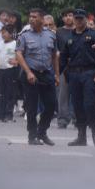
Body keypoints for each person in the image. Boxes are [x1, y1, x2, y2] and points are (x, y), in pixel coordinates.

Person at [16, 8, 59, 146]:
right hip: (31, 73)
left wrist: (57, 74)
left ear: (42, 19)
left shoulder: (51, 35)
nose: (31, 19)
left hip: (46, 73)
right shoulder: (24, 35)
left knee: (51, 105)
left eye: (34, 17)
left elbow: (54, 55)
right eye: (30, 16)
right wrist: (28, 72)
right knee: (32, 107)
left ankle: (42, 131)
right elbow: (18, 54)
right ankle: (32, 135)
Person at [61, 9, 95, 146]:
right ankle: (81, 136)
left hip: (89, 73)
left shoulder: (94, 35)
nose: (79, 21)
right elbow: (63, 57)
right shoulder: (69, 37)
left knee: (90, 105)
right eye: (76, 18)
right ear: (73, 19)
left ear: (86, 19)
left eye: (81, 18)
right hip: (74, 74)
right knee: (77, 106)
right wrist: (60, 73)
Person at [0, 25, 18, 122]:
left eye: (5, 32)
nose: (3, 34)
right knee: (1, 93)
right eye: (2, 33)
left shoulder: (15, 44)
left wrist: (16, 62)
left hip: (11, 71)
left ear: (11, 33)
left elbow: (19, 56)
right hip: (1, 71)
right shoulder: (0, 44)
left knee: (10, 93)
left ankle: (8, 114)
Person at [56, 9, 75, 129]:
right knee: (63, 94)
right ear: (62, 18)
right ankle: (63, 119)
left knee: (78, 94)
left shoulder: (78, 30)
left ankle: (78, 118)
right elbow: (56, 50)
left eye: (70, 15)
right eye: (66, 16)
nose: (68, 18)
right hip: (63, 66)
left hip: (77, 65)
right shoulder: (59, 32)